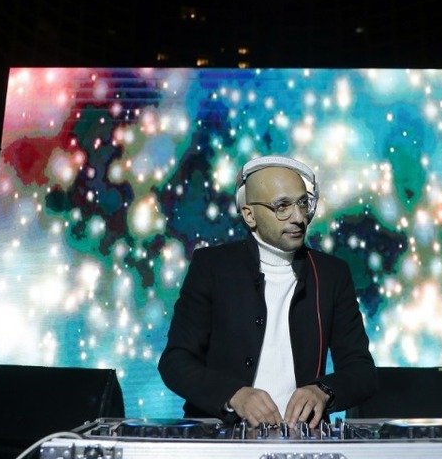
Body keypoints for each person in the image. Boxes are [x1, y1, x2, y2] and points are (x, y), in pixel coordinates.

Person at [158, 155, 378, 429]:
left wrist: (323, 391)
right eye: (282, 206)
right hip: (222, 436)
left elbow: (362, 371)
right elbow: (175, 362)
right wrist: (234, 395)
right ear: (249, 215)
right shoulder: (212, 267)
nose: (299, 217)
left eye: (302, 203)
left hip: (303, 439)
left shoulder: (332, 274)